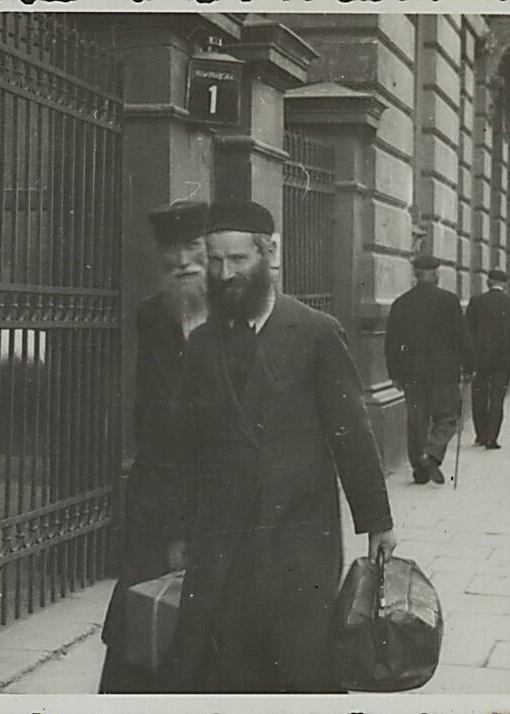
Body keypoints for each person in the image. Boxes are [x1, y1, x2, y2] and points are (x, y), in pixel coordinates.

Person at [162, 200, 397, 693]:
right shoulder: (203, 343)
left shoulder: (315, 332)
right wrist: (179, 529)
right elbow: (185, 448)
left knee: (298, 665)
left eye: (238, 259)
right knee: (223, 666)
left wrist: (377, 524)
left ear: (268, 256)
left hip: (298, 535)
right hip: (222, 538)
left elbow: (351, 436)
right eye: (216, 260)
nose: (226, 274)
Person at [99, 200, 210, 693]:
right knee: (138, 634)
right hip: (157, 499)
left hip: (214, 508)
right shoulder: (153, 316)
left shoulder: (235, 319)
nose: (183, 260)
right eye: (172, 250)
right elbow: (151, 421)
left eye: (194, 247)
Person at [385, 255, 474, 483]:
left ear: (415, 275)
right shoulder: (449, 301)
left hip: (412, 374)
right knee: (448, 417)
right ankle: (432, 453)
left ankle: (420, 471)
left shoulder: (401, 303)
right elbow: (462, 336)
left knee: (416, 422)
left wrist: (394, 374)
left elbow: (391, 342)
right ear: (436, 274)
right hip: (444, 373)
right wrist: (469, 367)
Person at [465, 268, 510, 449]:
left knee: (479, 396)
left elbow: (467, 331)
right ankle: (492, 438)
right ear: (505, 284)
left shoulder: (476, 302)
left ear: (488, 282)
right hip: (504, 360)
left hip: (480, 359)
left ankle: (481, 435)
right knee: (497, 398)